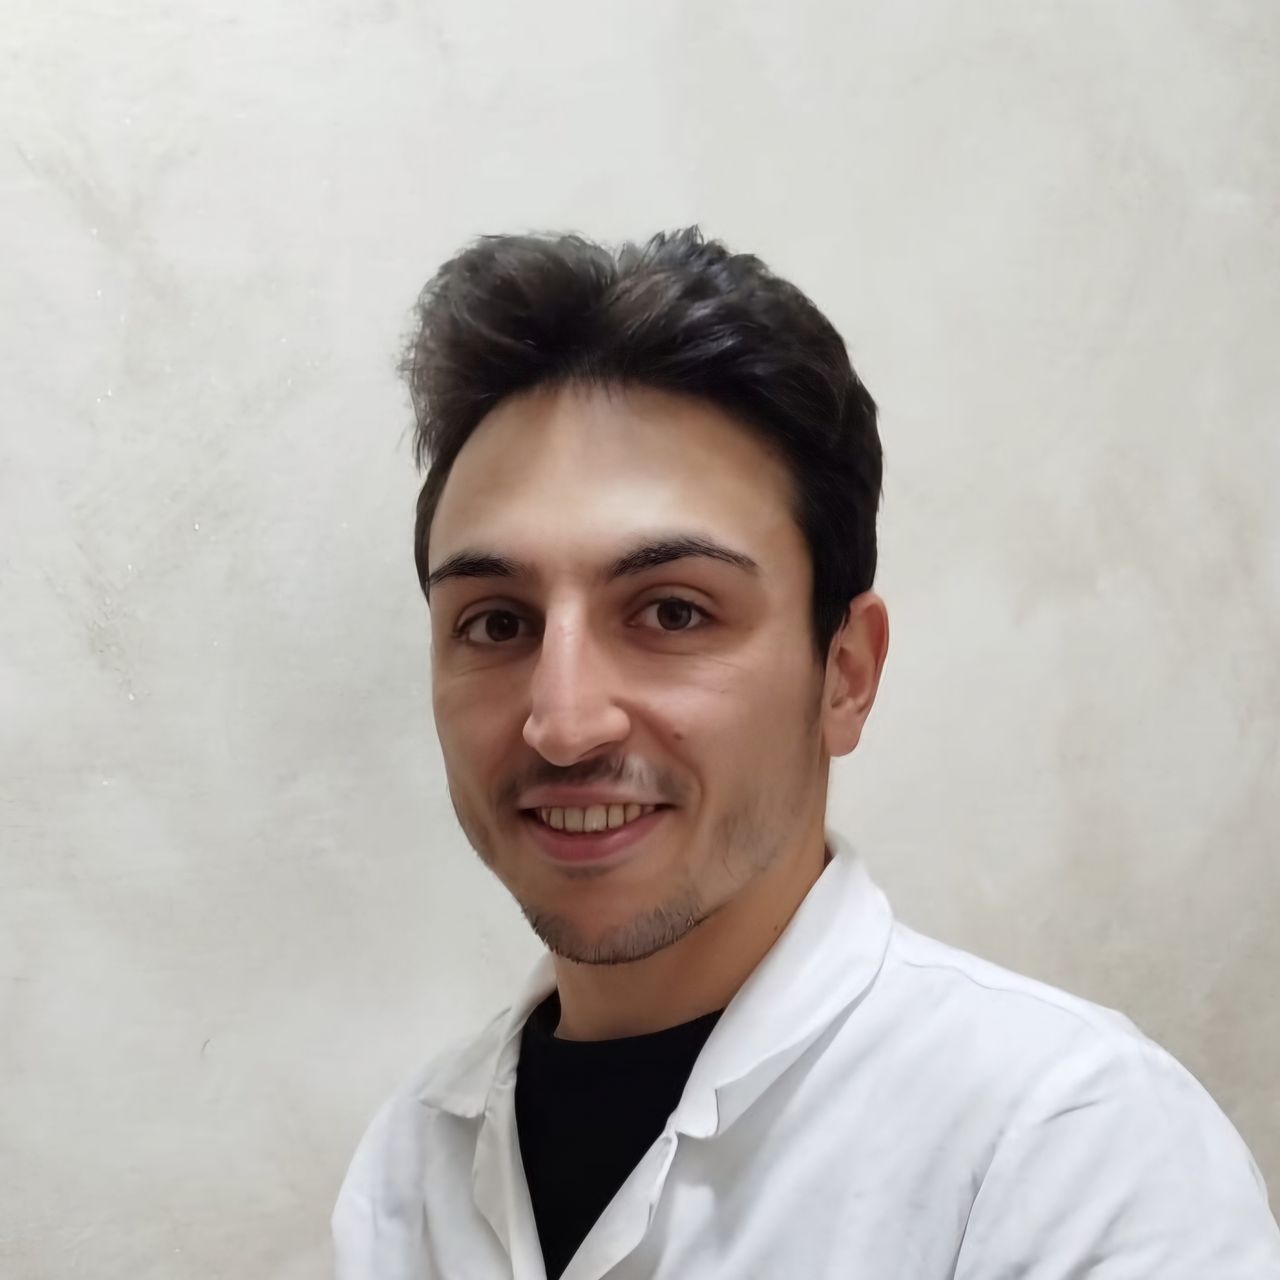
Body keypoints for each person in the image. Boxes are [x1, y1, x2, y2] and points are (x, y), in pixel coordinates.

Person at [331, 228, 1280, 1279]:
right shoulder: (406, 1167)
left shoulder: (1069, 1148)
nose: (563, 721)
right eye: (497, 623)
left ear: (844, 675)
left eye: (673, 611)